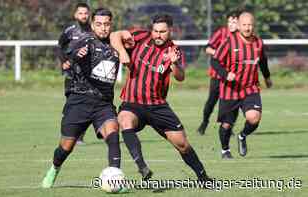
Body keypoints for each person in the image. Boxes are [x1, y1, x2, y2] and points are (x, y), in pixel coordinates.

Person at [110, 14, 212, 183]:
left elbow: (180, 77)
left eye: (162, 31)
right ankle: (142, 167)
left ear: (170, 31)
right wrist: (122, 52)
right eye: (155, 31)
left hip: (157, 105)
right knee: (124, 120)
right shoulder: (140, 37)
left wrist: (174, 63)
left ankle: (203, 178)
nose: (158, 35)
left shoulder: (174, 50)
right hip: (133, 102)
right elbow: (114, 35)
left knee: (182, 144)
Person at [42, 8, 122, 188]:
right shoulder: (85, 41)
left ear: (111, 25)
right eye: (99, 24)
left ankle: (115, 180)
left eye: (107, 24)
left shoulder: (116, 43)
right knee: (66, 147)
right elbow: (71, 52)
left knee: (113, 134)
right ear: (93, 25)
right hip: (79, 100)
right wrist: (77, 55)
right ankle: (54, 169)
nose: (103, 28)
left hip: (103, 103)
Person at [210, 11, 272, 159]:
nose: (247, 28)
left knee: (254, 118)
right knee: (226, 125)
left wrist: (267, 77)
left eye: (250, 25)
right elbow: (215, 61)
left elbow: (262, 61)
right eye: (244, 25)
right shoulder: (229, 41)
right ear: (238, 25)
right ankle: (225, 150)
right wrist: (226, 74)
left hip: (250, 88)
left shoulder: (258, 42)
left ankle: (243, 135)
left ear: (254, 25)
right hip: (230, 90)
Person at [197, 10, 240, 135]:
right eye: (229, 22)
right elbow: (207, 48)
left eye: (234, 22)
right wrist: (218, 54)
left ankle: (227, 126)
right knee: (211, 101)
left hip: (231, 76)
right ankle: (204, 122)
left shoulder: (241, 36)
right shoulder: (221, 33)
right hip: (217, 75)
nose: (231, 24)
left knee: (229, 102)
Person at [57, 2, 91, 145]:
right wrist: (64, 61)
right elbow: (60, 47)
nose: (83, 16)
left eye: (85, 13)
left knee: (88, 106)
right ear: (75, 15)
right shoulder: (70, 31)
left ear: (89, 15)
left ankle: (80, 137)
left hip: (89, 76)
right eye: (80, 13)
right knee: (71, 106)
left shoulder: (94, 30)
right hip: (72, 75)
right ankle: (67, 135)